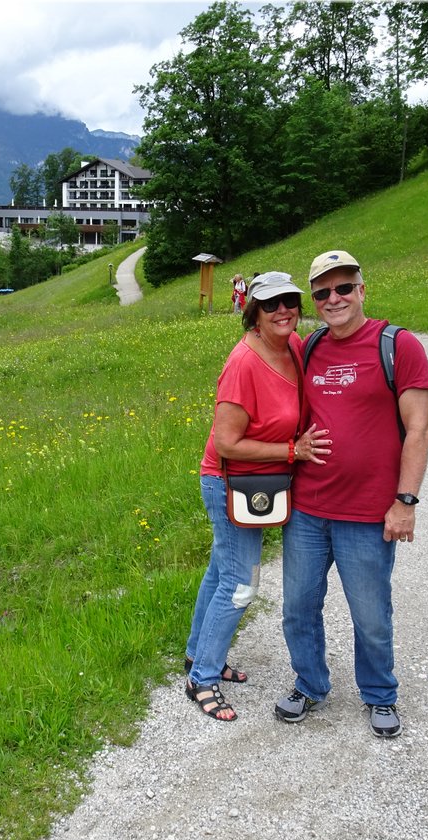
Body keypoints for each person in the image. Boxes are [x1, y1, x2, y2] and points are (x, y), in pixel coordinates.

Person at [277, 250, 428, 738]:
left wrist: (404, 502)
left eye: (344, 288)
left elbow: (419, 428)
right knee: (298, 605)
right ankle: (310, 682)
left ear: (362, 290)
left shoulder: (397, 345)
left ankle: (380, 694)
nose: (334, 299)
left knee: (369, 612)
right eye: (322, 292)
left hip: (367, 513)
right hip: (307, 508)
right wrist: (291, 448)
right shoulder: (312, 347)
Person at [184, 271, 331, 721]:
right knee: (241, 582)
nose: (283, 310)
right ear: (254, 314)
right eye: (271, 305)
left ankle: (196, 654)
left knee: (221, 570)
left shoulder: (295, 347)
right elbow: (226, 442)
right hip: (230, 482)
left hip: (260, 483)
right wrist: (292, 450)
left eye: (290, 300)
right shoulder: (244, 364)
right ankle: (202, 679)